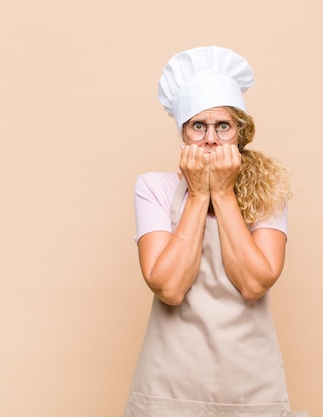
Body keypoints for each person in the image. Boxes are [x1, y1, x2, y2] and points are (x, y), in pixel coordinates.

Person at [123, 45, 307, 417]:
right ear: (182, 134)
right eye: (198, 126)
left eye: (222, 126)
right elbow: (169, 287)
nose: (209, 139)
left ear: (240, 133)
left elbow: (254, 283)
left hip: (250, 384)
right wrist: (197, 192)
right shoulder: (152, 188)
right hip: (168, 386)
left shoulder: (267, 192)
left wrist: (222, 193)